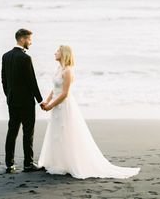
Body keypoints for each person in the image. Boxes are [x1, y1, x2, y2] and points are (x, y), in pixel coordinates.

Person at [39, 45, 141, 179]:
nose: (55, 53)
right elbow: (55, 89)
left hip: (63, 106)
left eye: (57, 51)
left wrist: (51, 105)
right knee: (56, 133)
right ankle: (58, 162)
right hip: (56, 105)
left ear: (64, 54)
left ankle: (69, 163)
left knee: (66, 132)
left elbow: (64, 93)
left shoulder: (68, 71)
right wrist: (46, 101)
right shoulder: (59, 69)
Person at [1, 28, 46, 173]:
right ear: (22, 39)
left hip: (12, 100)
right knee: (28, 132)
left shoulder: (5, 56)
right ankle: (28, 164)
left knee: (12, 131)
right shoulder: (25, 58)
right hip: (26, 102)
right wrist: (40, 101)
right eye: (29, 39)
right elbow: (32, 81)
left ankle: (9, 165)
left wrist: (8, 95)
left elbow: (3, 80)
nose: (31, 43)